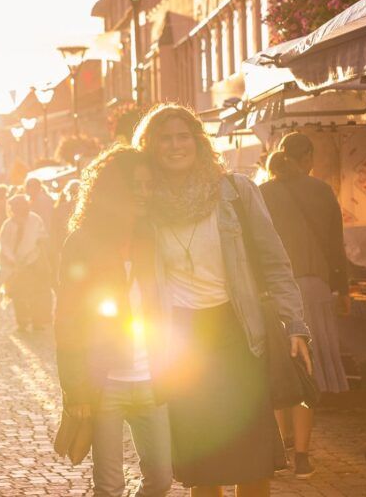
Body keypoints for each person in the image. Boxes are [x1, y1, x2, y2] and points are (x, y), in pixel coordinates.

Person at [132, 104, 311, 496]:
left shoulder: (233, 191)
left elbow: (274, 261)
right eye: (165, 138)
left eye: (184, 137)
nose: (176, 145)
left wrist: (294, 324)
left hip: (239, 334)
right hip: (182, 340)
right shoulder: (144, 207)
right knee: (205, 461)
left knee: (251, 457)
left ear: (198, 142)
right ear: (150, 146)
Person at [56, 145, 172, 497]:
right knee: (109, 486)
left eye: (148, 185)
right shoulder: (83, 243)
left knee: (161, 479)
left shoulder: (153, 236)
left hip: (151, 379)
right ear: (112, 189)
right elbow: (67, 321)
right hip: (105, 383)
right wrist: (74, 389)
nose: (143, 193)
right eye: (134, 185)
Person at [260, 132, 351, 477]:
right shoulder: (322, 191)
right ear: (308, 156)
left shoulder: (263, 193)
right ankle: (302, 455)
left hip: (271, 291)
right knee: (305, 372)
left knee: (278, 368)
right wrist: (342, 289)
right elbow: (335, 244)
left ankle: (282, 443)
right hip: (313, 289)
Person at [0, 195, 52, 331]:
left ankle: (36, 321)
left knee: (35, 293)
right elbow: (4, 245)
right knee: (18, 294)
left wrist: (37, 248)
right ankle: (22, 321)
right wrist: (12, 260)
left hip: (32, 262)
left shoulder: (34, 220)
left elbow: (42, 236)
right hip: (15, 266)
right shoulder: (8, 225)